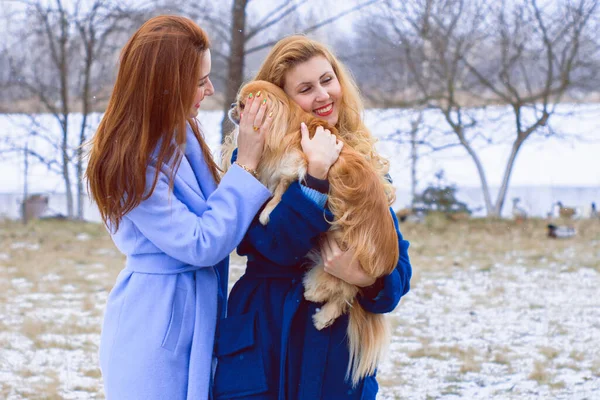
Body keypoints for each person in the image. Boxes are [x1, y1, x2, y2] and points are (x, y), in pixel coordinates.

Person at [85, 16, 274, 400]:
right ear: (165, 84)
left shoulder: (181, 133)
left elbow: (220, 211)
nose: (210, 89)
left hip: (195, 314)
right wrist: (247, 164)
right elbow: (200, 242)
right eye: (200, 80)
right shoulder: (128, 162)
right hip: (153, 331)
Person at [214, 35, 412, 400]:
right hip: (268, 335)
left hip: (334, 351)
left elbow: (396, 272)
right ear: (283, 101)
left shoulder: (359, 159)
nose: (322, 95)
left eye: (327, 79)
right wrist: (315, 177)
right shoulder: (254, 161)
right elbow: (273, 246)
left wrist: (363, 278)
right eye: (305, 88)